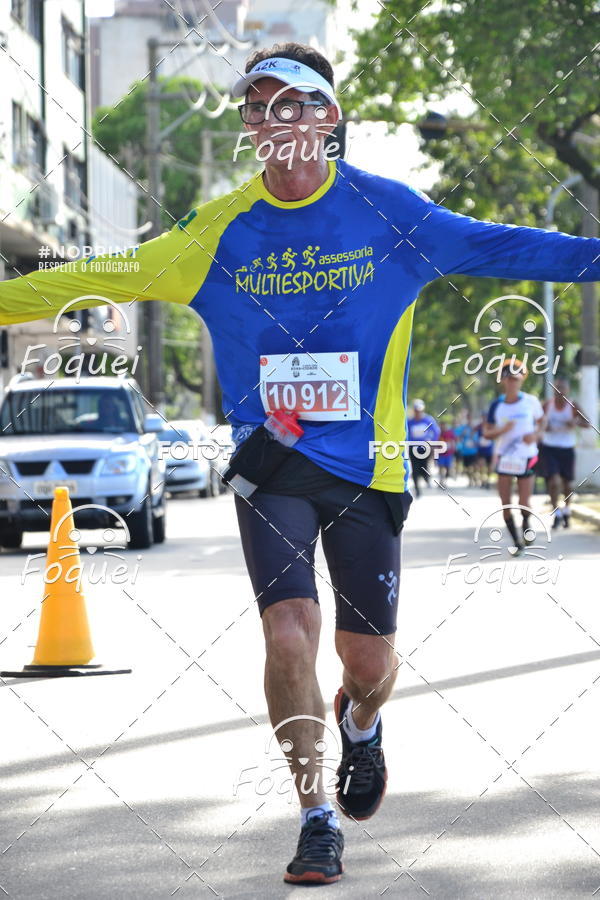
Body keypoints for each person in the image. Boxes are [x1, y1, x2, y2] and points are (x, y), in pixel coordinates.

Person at [1, 41, 599, 886]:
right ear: (247, 125)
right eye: (258, 107)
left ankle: (361, 722)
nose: (274, 121)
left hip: (370, 467)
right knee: (288, 631)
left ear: (329, 118)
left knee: (368, 664)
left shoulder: (393, 216)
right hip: (272, 459)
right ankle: (317, 817)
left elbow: (514, 249)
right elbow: (98, 276)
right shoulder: (214, 233)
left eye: (293, 104)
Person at [483, 361, 545, 552]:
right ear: (503, 380)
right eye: (509, 379)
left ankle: (526, 523)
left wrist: (535, 435)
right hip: (505, 458)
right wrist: (502, 430)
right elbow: (486, 433)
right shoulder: (496, 405)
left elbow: (542, 422)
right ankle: (516, 541)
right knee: (506, 502)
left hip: (527, 456)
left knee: (524, 502)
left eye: (516, 379)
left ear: (522, 379)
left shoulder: (530, 401)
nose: (512, 383)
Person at [539, 377, 589, 528]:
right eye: (557, 389)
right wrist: (543, 427)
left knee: (568, 483)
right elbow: (536, 421)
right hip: (549, 447)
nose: (560, 392)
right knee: (553, 482)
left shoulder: (573, 405)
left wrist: (575, 422)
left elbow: (587, 423)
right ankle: (557, 513)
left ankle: (567, 510)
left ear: (567, 390)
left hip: (567, 448)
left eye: (563, 389)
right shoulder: (547, 405)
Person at [406, 399, 441, 497]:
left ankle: (426, 477)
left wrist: (432, 442)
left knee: (424, 467)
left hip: (425, 448)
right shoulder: (409, 421)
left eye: (419, 410)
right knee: (415, 469)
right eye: (416, 410)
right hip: (413, 448)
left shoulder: (428, 420)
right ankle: (417, 489)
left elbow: (436, 431)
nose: (418, 412)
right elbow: (405, 433)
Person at [455, 413, 478, 485]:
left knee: (473, 466)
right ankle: (470, 479)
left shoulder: (475, 428)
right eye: (468, 418)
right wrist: (462, 434)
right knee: (467, 467)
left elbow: (478, 438)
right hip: (465, 451)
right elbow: (458, 437)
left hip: (473, 451)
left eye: (470, 418)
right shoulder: (463, 428)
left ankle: (474, 478)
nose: (469, 420)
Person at [476, 414, 494, 488]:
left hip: (489, 450)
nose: (484, 419)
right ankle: (482, 481)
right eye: (483, 417)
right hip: (481, 450)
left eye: (485, 417)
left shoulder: (491, 426)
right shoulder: (479, 427)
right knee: (481, 466)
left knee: (489, 467)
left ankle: (488, 481)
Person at [437, 419, 457, 487]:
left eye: (444, 425)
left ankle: (445, 480)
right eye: (441, 425)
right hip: (440, 454)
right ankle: (441, 481)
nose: (442, 427)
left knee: (448, 468)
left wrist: (454, 449)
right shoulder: (438, 433)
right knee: (441, 467)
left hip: (448, 454)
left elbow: (453, 441)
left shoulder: (450, 433)